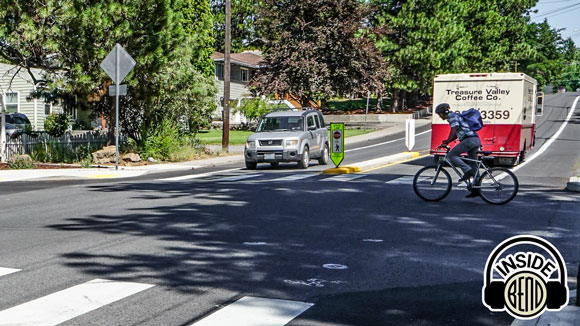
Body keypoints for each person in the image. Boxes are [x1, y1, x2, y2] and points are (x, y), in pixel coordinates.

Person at [435, 103, 481, 197]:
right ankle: (476, 189)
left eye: (439, 114)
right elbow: (456, 134)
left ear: (444, 112)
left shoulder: (452, 117)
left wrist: (447, 142)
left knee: (451, 156)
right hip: (475, 140)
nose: (439, 116)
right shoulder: (456, 116)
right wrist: (447, 142)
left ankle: (467, 171)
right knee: (474, 165)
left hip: (469, 140)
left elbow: (453, 131)